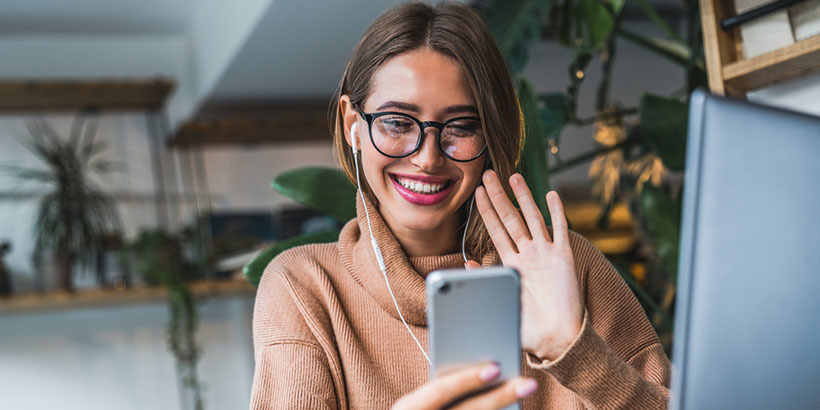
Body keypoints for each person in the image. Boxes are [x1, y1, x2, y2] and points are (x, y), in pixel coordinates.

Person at [250, 2, 670, 409]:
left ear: (491, 138)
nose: (428, 157)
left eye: (462, 126)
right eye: (397, 122)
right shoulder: (304, 287)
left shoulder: (567, 269)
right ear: (352, 126)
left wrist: (576, 354)